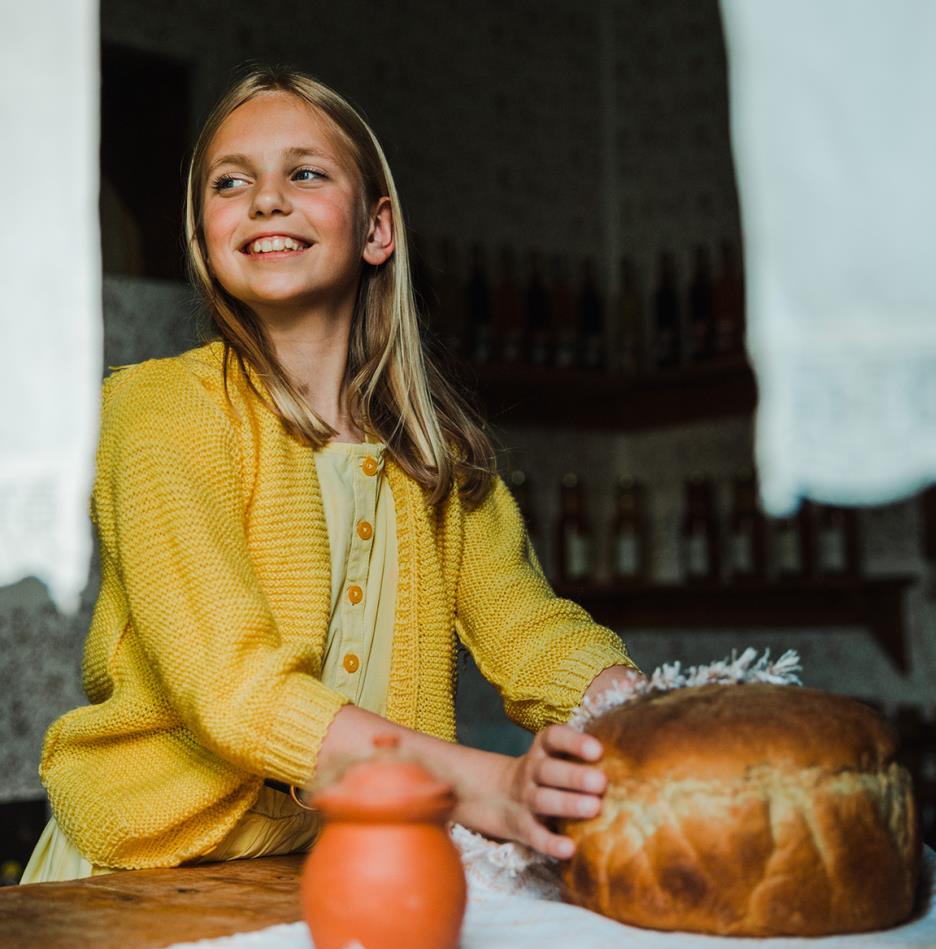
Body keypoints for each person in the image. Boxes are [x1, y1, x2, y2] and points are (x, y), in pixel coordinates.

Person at [21, 64, 641, 885]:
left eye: (304, 173)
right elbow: (234, 689)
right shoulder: (159, 412)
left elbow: (533, 635)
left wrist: (651, 713)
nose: (266, 199)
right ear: (206, 235)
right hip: (135, 882)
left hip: (337, 871)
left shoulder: (437, 454)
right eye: (230, 182)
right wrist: (486, 786)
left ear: (377, 230)